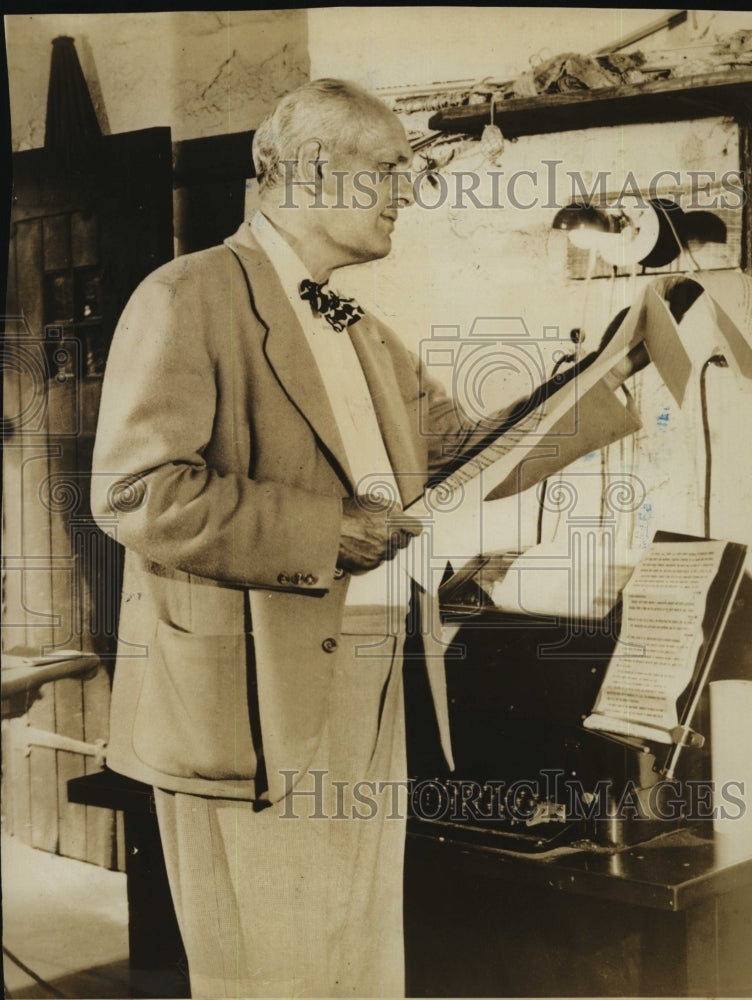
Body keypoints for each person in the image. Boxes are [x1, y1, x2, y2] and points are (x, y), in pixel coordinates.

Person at [91, 78, 646, 998]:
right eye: (390, 169)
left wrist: (602, 376)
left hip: (374, 689)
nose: (407, 193)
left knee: (355, 973)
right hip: (251, 708)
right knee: (269, 975)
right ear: (309, 170)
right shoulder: (187, 295)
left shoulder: (358, 326)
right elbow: (137, 490)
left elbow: (464, 455)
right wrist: (328, 530)